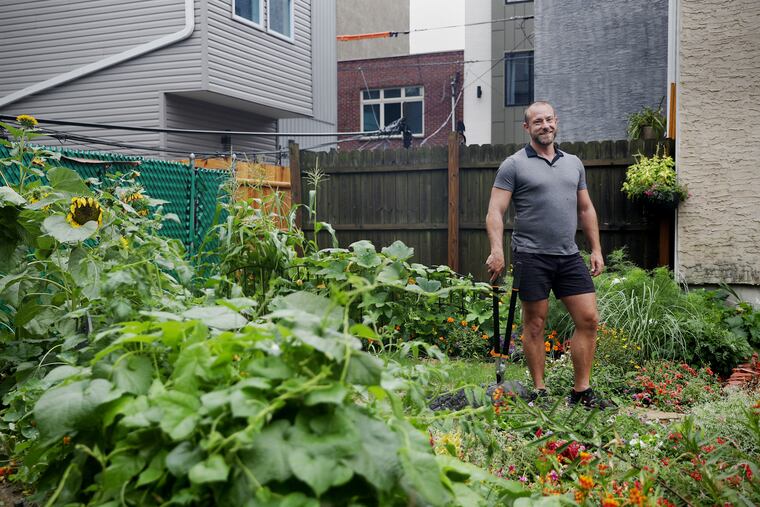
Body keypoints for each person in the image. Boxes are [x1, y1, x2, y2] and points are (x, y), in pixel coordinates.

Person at [485, 101, 613, 409]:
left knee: (589, 320)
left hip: (569, 256)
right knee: (534, 324)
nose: (545, 125)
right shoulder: (513, 164)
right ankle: (540, 393)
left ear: (556, 121)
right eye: (537, 121)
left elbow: (585, 208)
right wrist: (496, 250)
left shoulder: (573, 163)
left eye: (549, 119)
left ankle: (581, 392)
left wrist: (595, 249)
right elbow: (495, 211)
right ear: (526, 128)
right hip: (531, 255)